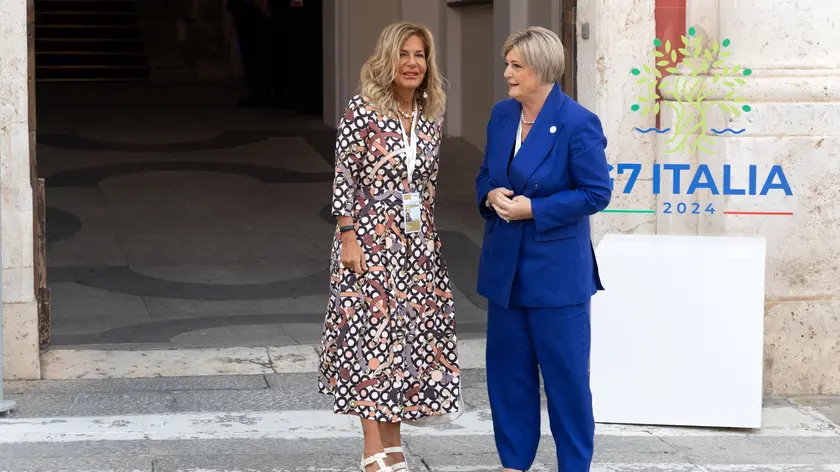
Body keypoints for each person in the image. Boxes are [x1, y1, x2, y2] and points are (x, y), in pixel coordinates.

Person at [318, 22, 459, 472]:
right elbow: (345, 175)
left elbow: (427, 186)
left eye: (420, 55)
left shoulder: (429, 116)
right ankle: (370, 447)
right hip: (369, 236)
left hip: (416, 244)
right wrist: (347, 233)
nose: (413, 63)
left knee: (407, 340)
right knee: (369, 336)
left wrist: (427, 240)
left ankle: (395, 444)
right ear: (387, 60)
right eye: (404, 54)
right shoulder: (363, 110)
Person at [475, 26, 612, 472]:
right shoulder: (500, 115)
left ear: (542, 69)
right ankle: (513, 464)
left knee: (567, 382)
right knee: (508, 379)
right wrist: (491, 195)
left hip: (556, 277)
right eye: (507, 64)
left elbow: (595, 193)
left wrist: (535, 209)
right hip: (506, 273)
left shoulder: (577, 122)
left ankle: (574, 466)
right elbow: (485, 174)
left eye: (516, 66)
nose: (506, 73)